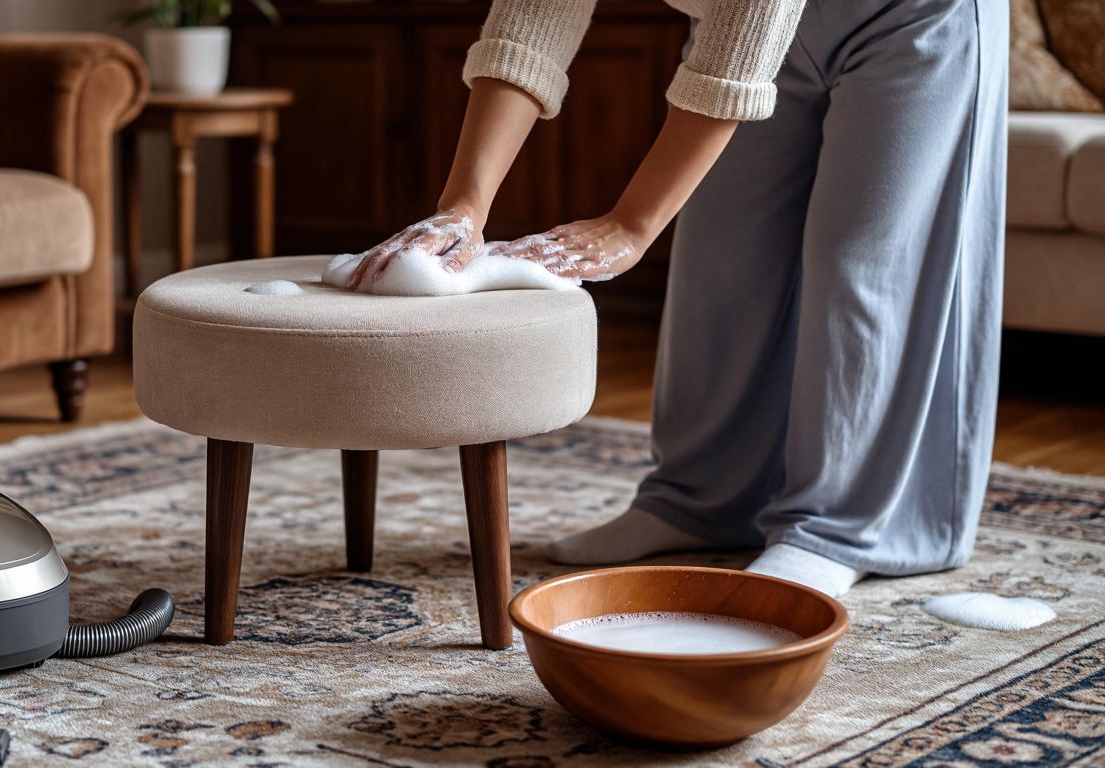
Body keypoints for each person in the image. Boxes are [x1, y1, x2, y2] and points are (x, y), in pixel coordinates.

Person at [342, 0, 1008, 597]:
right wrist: (465, 205)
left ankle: (836, 529)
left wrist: (632, 225)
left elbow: (752, 23)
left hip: (907, 16)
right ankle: (699, 502)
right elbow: (532, 21)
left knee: (861, 267)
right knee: (720, 258)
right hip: (735, 22)